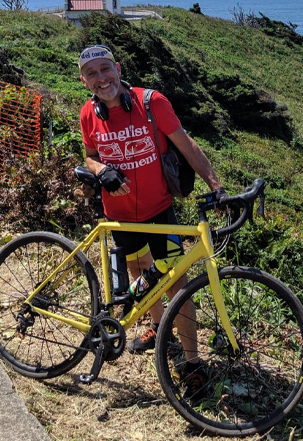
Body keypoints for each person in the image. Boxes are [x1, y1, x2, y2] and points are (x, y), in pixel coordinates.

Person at [77, 45, 225, 364]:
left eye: (105, 69)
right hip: (118, 216)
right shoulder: (88, 113)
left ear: (117, 68)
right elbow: (90, 156)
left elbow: (187, 146)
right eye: (92, 73)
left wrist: (216, 186)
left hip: (159, 211)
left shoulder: (151, 102)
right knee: (138, 270)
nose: (101, 78)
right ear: (84, 81)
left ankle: (192, 359)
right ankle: (159, 328)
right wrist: (101, 170)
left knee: (175, 282)